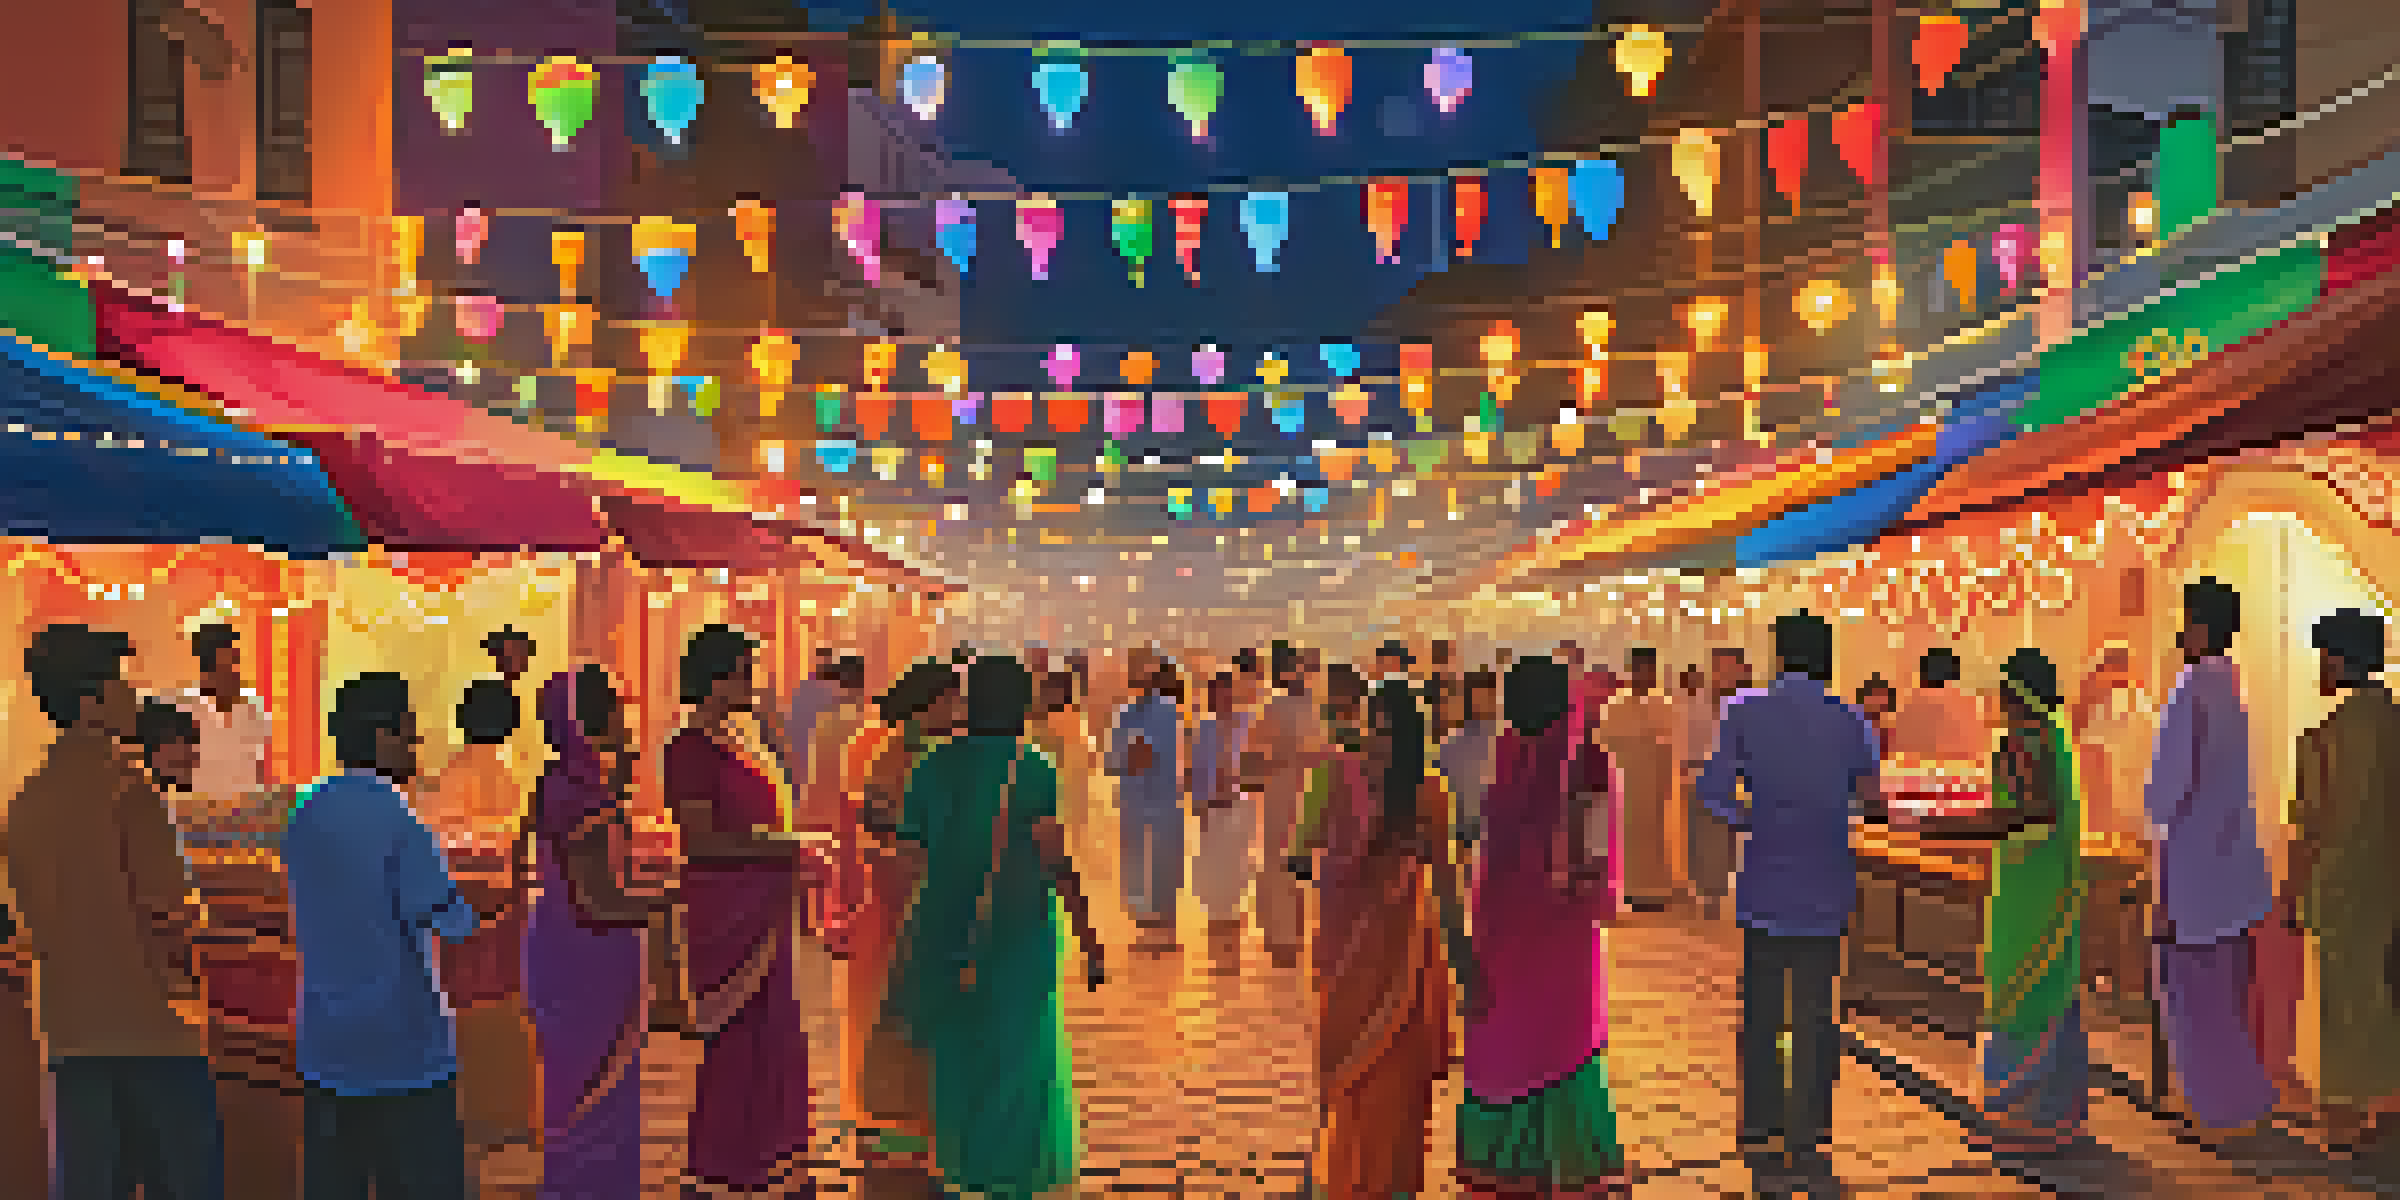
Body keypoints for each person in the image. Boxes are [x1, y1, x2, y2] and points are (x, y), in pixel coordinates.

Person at [12, 625, 224, 1199]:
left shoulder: (25, 805)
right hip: (155, 1035)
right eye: (120, 683)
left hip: (69, 1037)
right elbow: (174, 920)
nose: (132, 695)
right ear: (91, 702)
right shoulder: (132, 794)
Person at [889, 655, 1105, 1200]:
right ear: (1022, 705)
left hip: (942, 929)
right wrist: (1087, 934)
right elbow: (1055, 860)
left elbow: (907, 862)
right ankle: (1011, 1173)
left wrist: (898, 939)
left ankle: (961, 1169)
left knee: (956, 1056)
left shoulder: (931, 766)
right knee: (1018, 1056)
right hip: (1017, 934)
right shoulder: (1032, 767)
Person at [284, 672, 481, 1199]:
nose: (415, 747)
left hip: (326, 1047)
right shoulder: (399, 820)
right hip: (403, 1049)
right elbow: (450, 919)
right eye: (408, 734)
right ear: (380, 736)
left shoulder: (305, 811)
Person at [1697, 612, 1879, 1175]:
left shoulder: (1743, 711)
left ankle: (1760, 1127)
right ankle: (1808, 1132)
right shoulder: (1850, 718)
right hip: (1826, 883)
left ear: (1779, 656)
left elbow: (1712, 792)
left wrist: (1751, 818)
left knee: (1761, 1014)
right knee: (1816, 1017)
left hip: (1765, 884)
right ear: (1825, 657)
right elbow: (1872, 799)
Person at [1289, 658, 1467, 1200]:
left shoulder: (1429, 793)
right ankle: (1340, 1178)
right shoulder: (1337, 778)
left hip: (1406, 960)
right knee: (1344, 1073)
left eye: (1391, 730)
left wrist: (1466, 966)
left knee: (1399, 1087)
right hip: (1344, 954)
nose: (1380, 741)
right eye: (1374, 727)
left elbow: (1446, 885)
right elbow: (1305, 850)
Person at [665, 625, 829, 1194]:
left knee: (773, 1034)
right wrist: (788, 846)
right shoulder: (689, 749)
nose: (751, 684)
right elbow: (702, 840)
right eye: (742, 673)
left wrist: (787, 849)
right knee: (734, 1039)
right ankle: (724, 1164)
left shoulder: (742, 740)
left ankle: (774, 1158)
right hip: (727, 911)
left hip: (762, 906)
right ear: (714, 679)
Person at [1456, 656, 1627, 1196]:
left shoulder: (1505, 762)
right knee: (1558, 1041)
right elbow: (1594, 869)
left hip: (1502, 932)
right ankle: (1563, 1162)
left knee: (1505, 1036)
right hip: (1560, 936)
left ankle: (1501, 1163)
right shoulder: (1586, 764)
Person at [1918, 649, 2090, 1154]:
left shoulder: (2021, 741)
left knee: (2019, 985)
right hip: (2048, 879)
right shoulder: (2054, 736)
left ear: (2018, 693)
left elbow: (2024, 812)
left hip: (2026, 884)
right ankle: (2056, 1112)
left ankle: (2019, 1112)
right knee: (2047, 984)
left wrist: (1947, 826)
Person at [524, 666, 670, 1200]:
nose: (624, 719)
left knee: (575, 1090)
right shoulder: (585, 796)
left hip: (560, 945)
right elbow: (598, 900)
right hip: (590, 956)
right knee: (598, 1095)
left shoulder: (557, 783)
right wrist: (668, 902)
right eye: (614, 709)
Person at [2142, 577, 2278, 1137]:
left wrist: (2150, 831)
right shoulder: (2233, 687)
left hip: (2192, 873)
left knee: (2193, 1000)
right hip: (2233, 872)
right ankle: (2241, 1101)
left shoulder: (2190, 689)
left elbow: (2165, 793)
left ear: (2198, 627)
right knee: (2227, 996)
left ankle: (2219, 1110)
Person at [2286, 608, 2400, 1153]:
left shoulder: (2324, 740)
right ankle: (2387, 1108)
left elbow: (2309, 829)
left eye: (2324, 657)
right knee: (2384, 997)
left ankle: (2344, 1122)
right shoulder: (2394, 724)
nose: (2320, 668)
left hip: (2339, 890)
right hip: (2389, 891)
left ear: (2339, 660)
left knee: (2342, 1006)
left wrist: (2291, 894)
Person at [842, 661, 962, 1175]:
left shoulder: (921, 752)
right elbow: (880, 824)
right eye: (952, 700)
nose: (959, 710)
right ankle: (901, 1126)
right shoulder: (902, 755)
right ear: (931, 703)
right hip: (902, 895)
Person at [419, 679, 538, 1158]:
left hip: (465, 903)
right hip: (495, 901)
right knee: (498, 1001)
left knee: (468, 1004)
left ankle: (480, 1111)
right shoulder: (499, 774)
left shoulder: (459, 772)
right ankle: (500, 1112)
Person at [1248, 643, 1326, 968]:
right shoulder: (1272, 707)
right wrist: (1283, 758)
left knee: (1300, 866)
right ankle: (1282, 938)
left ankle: (1293, 937)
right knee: (1280, 865)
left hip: (1307, 794)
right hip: (1280, 794)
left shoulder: (1315, 707)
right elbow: (1252, 758)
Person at [1108, 656, 1186, 952]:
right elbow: (1114, 760)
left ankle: (1166, 933)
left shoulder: (1168, 711)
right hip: (1134, 805)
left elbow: (1149, 755)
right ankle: (1147, 934)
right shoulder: (1124, 714)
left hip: (1162, 803)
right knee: (1138, 871)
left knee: (1163, 869)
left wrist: (1132, 755)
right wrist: (1130, 756)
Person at [1600, 647, 1676, 910]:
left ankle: (1654, 890)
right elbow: (1605, 744)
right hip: (1625, 781)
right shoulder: (1615, 706)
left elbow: (1671, 745)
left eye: (1649, 670)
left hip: (1655, 783)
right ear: (1631, 671)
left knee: (1655, 836)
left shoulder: (1664, 705)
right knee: (1626, 836)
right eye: (1639, 669)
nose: (1644, 675)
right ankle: (1628, 890)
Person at [1190, 672, 1259, 961]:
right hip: (1211, 809)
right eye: (1216, 693)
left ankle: (1232, 938)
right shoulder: (1204, 729)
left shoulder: (1248, 724)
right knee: (1212, 873)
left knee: (1237, 872)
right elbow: (1196, 770)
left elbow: (1256, 765)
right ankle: (1217, 937)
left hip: (1239, 807)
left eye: (1225, 692)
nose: (1221, 698)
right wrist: (1199, 806)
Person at [803, 656, 871, 948]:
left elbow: (817, 770)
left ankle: (833, 931)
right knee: (854, 877)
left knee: (834, 879)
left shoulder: (828, 722)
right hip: (853, 806)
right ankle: (851, 934)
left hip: (829, 805)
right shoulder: (867, 722)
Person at [176, 622, 272, 828]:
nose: (235, 667)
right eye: (228, 659)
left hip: (246, 820)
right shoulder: (184, 708)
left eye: (235, 658)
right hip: (198, 819)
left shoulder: (253, 708)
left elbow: (260, 770)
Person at [1683, 648, 1748, 920]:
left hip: (1729, 781)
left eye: (1731, 667)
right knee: (1700, 838)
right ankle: (1706, 890)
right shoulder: (1695, 702)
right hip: (1697, 776)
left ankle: (1717, 891)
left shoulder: (1744, 705)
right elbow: (1685, 738)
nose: (1726, 673)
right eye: (1721, 666)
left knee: (1724, 841)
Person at [1889, 648, 1986, 764]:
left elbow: (1898, 746)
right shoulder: (1970, 704)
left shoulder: (1910, 705)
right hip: (1963, 770)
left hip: (1916, 770)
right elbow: (1979, 748)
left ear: (1924, 674)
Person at [1441, 670, 1502, 846]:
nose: (1484, 703)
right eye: (1479, 697)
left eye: (1489, 697)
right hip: (1465, 831)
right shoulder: (1453, 743)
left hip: (1495, 829)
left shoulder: (1506, 738)